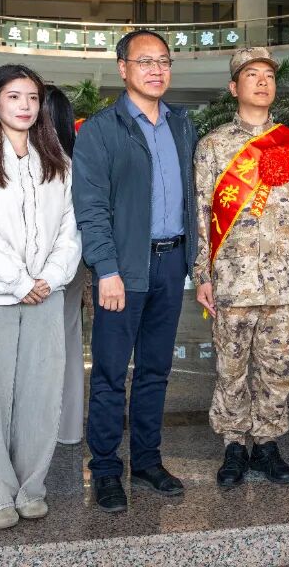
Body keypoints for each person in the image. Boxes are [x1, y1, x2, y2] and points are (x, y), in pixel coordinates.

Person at [72, 29, 197, 513]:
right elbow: (91, 207)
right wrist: (106, 268)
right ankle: (105, 468)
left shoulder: (182, 124)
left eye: (163, 60)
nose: (156, 69)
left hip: (172, 262)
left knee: (155, 370)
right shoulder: (102, 129)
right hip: (123, 268)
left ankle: (146, 460)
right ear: (123, 68)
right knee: (108, 373)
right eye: (145, 61)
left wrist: (194, 264)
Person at [0, 65, 81, 528]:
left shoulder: (57, 160)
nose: (25, 106)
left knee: (40, 396)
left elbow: (69, 227)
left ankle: (30, 487)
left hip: (46, 293)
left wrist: (50, 276)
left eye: (32, 97)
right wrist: (18, 281)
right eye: (14, 96)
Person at [193, 47, 289, 488]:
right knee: (230, 366)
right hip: (231, 278)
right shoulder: (213, 146)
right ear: (233, 87)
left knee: (277, 366)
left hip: (282, 279)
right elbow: (202, 212)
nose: (262, 82)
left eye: (269, 75)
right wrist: (202, 275)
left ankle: (267, 443)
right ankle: (233, 444)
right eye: (251, 75)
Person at [44, 85, 91, 446]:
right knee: (68, 339)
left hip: (48, 269)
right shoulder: (77, 160)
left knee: (44, 347)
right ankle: (68, 428)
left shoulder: (51, 163)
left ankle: (42, 427)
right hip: (72, 264)